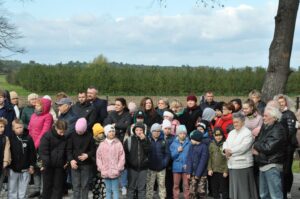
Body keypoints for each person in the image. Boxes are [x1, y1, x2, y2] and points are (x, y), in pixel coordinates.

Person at [253, 106, 287, 199]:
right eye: (263, 115)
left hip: (272, 165)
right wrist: (257, 145)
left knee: (275, 195)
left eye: (266, 116)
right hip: (263, 163)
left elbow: (268, 147)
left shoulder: (278, 129)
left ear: (274, 117)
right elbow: (258, 140)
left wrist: (256, 147)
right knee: (263, 195)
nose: (263, 118)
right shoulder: (266, 126)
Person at [223, 112, 258, 199]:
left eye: (237, 122)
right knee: (235, 191)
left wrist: (230, 151)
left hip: (243, 165)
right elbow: (225, 143)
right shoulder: (231, 133)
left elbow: (243, 148)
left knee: (243, 191)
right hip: (232, 164)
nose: (235, 124)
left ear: (242, 122)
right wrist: (225, 150)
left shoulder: (247, 133)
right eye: (234, 122)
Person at [28, 97, 53, 198]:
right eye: (36, 105)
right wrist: (30, 143)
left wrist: (34, 145)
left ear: (44, 107)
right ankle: (37, 189)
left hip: (41, 147)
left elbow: (44, 133)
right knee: (35, 168)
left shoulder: (48, 116)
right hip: (32, 145)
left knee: (42, 168)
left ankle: (44, 191)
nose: (36, 106)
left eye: (38, 105)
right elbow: (29, 128)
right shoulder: (33, 115)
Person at [274, 94, 297, 199]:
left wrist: (282, 143)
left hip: (288, 147)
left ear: (285, 102)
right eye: (279, 102)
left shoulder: (290, 114)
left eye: (282, 102)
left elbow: (291, 131)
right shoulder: (277, 114)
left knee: (287, 169)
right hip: (279, 147)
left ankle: (287, 190)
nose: (280, 104)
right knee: (280, 170)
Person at [39, 120, 69, 199]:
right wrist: (46, 163)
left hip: (60, 166)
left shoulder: (65, 138)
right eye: (60, 132)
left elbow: (67, 150)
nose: (62, 134)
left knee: (58, 187)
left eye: (64, 132)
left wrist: (66, 162)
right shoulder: (47, 136)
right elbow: (43, 151)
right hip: (48, 166)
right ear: (56, 128)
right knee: (47, 187)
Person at [67, 118, 95, 199]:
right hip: (74, 164)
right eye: (78, 131)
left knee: (85, 185)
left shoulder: (89, 136)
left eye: (81, 132)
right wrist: (71, 160)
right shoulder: (72, 135)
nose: (79, 133)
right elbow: (68, 150)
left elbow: (93, 150)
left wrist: (87, 155)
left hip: (86, 164)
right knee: (76, 186)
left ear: (85, 129)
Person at [8, 119, 36, 199]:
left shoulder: (28, 138)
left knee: (23, 190)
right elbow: (7, 153)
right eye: (17, 128)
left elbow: (32, 153)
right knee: (12, 189)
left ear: (23, 127)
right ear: (13, 128)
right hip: (13, 168)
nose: (19, 129)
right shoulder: (10, 138)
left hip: (25, 168)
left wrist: (31, 165)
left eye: (20, 127)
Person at [96, 124, 125, 199]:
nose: (112, 133)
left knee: (115, 190)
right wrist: (101, 167)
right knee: (108, 190)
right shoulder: (102, 144)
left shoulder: (118, 143)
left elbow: (122, 156)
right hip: (105, 171)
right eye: (109, 131)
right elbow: (98, 157)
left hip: (115, 171)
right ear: (106, 133)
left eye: (113, 131)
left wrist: (118, 168)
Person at [124, 122, 150, 199]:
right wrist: (128, 165)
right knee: (131, 188)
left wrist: (143, 141)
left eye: (141, 130)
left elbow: (148, 151)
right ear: (134, 131)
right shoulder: (129, 140)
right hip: (132, 168)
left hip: (143, 168)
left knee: (141, 189)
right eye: (137, 130)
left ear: (144, 131)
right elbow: (125, 154)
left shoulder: (146, 140)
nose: (139, 132)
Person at [146, 123, 171, 199]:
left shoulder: (164, 141)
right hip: (150, 168)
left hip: (161, 168)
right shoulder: (148, 140)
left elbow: (167, 154)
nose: (156, 133)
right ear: (151, 131)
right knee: (149, 186)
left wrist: (164, 163)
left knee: (162, 186)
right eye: (155, 131)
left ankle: (162, 197)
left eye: (158, 131)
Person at [170, 125, 191, 199]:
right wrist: (177, 151)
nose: (183, 135)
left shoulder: (189, 143)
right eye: (181, 133)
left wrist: (188, 165)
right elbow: (171, 156)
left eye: (184, 133)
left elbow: (191, 156)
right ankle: (176, 197)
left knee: (186, 185)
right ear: (177, 134)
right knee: (176, 185)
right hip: (176, 168)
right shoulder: (173, 144)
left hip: (186, 168)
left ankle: (187, 197)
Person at [186, 130, 209, 199]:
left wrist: (197, 174)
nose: (190, 141)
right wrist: (188, 172)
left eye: (192, 139)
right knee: (192, 191)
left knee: (201, 191)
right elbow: (189, 159)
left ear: (196, 139)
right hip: (192, 173)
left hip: (201, 174)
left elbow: (203, 162)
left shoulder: (204, 147)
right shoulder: (191, 146)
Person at [207, 128, 229, 199]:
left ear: (222, 135)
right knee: (214, 189)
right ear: (213, 135)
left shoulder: (225, 144)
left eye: (220, 135)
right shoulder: (211, 144)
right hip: (213, 171)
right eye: (216, 135)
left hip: (222, 171)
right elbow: (209, 157)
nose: (218, 137)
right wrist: (209, 168)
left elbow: (228, 159)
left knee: (224, 189)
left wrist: (226, 170)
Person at [91, 123, 106, 199]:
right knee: (96, 187)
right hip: (95, 168)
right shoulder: (92, 142)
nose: (101, 134)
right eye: (99, 133)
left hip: (104, 168)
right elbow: (92, 154)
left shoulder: (106, 142)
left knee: (104, 187)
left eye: (102, 132)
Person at [161, 119, 175, 198]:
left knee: (170, 181)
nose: (167, 130)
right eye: (165, 128)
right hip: (161, 162)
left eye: (169, 129)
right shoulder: (160, 137)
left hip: (170, 162)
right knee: (162, 181)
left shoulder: (173, 138)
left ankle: (170, 195)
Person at [0, 118, 11, 195]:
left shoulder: (5, 138)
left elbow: (7, 151)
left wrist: (5, 161)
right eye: (0, 126)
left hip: (1, 165)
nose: (2, 129)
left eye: (3, 126)